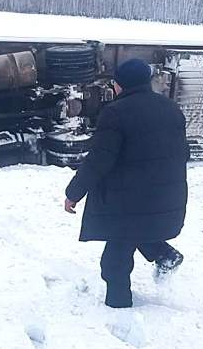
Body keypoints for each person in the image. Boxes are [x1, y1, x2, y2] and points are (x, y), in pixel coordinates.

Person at [63, 58, 190, 308]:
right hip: (163, 194)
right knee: (136, 229)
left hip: (129, 198)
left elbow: (100, 159)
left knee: (114, 262)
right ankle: (165, 255)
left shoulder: (115, 113)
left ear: (120, 85)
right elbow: (182, 153)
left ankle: (119, 311)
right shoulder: (171, 108)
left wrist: (74, 192)